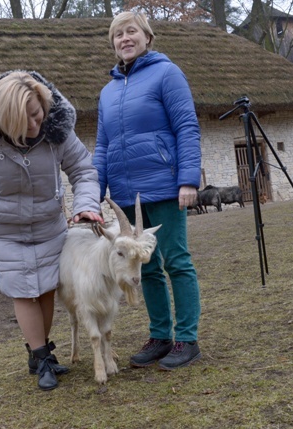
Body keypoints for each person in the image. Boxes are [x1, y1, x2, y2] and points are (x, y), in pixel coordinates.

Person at [0, 71, 104, 391]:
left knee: (46, 287)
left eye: (37, 114)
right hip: (4, 231)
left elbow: (83, 170)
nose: (35, 125)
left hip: (49, 224)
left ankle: (39, 351)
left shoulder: (58, 129)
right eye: (24, 122)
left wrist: (85, 205)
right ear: (3, 120)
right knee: (24, 290)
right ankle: (42, 356)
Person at [93, 11, 203, 371]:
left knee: (176, 261)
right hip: (127, 197)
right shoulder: (107, 93)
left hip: (166, 187)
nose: (124, 39)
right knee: (146, 268)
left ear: (147, 37)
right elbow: (103, 146)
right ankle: (160, 336)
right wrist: (93, 193)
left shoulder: (167, 74)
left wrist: (188, 179)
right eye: (118, 35)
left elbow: (186, 126)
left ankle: (187, 338)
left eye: (131, 32)